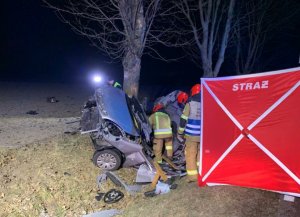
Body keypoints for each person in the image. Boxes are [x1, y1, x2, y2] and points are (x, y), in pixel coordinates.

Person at [178, 84, 201, 182]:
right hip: (202, 135)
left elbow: (183, 120)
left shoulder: (190, 104)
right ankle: (201, 172)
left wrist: (180, 132)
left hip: (191, 135)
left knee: (190, 154)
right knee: (200, 154)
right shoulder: (206, 103)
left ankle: (192, 176)